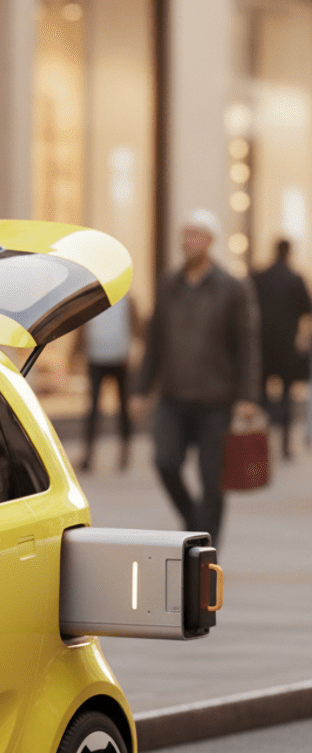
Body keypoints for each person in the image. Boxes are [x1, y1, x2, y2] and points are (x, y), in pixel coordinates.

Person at [139, 209, 262, 546]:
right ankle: (194, 521)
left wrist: (248, 396)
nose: (187, 241)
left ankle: (208, 550)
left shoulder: (233, 288)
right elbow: (155, 341)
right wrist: (142, 388)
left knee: (213, 481)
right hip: (173, 397)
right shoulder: (168, 285)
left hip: (215, 401)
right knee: (165, 462)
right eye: (184, 234)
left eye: (194, 235)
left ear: (210, 241)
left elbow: (247, 344)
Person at [250, 238, 312, 460]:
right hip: (286, 346)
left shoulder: (259, 277)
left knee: (262, 397)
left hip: (262, 345)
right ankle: (285, 443)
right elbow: (307, 309)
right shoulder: (294, 279)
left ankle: (263, 444)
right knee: (286, 395)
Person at [79, 294, 135, 473]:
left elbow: (135, 325)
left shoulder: (127, 300)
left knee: (123, 409)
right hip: (96, 358)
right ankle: (88, 455)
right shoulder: (92, 300)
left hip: (120, 359)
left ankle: (124, 454)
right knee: (94, 409)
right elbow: (83, 329)